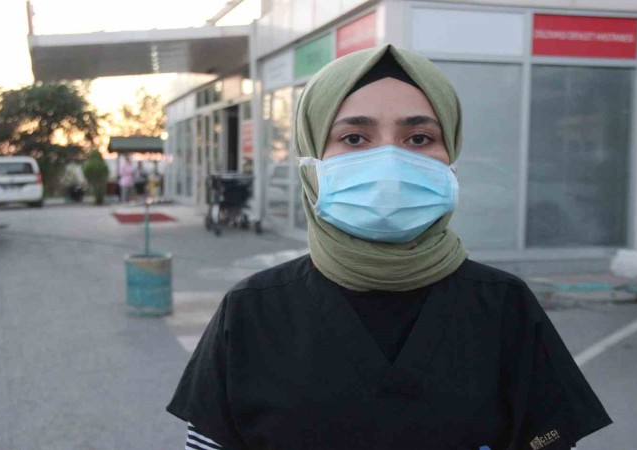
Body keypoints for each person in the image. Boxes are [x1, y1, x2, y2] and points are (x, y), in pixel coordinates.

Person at [167, 45, 612, 450]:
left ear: (451, 155)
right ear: (311, 160)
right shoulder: (251, 312)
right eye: (354, 138)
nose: (390, 163)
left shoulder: (505, 306)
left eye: (419, 139)